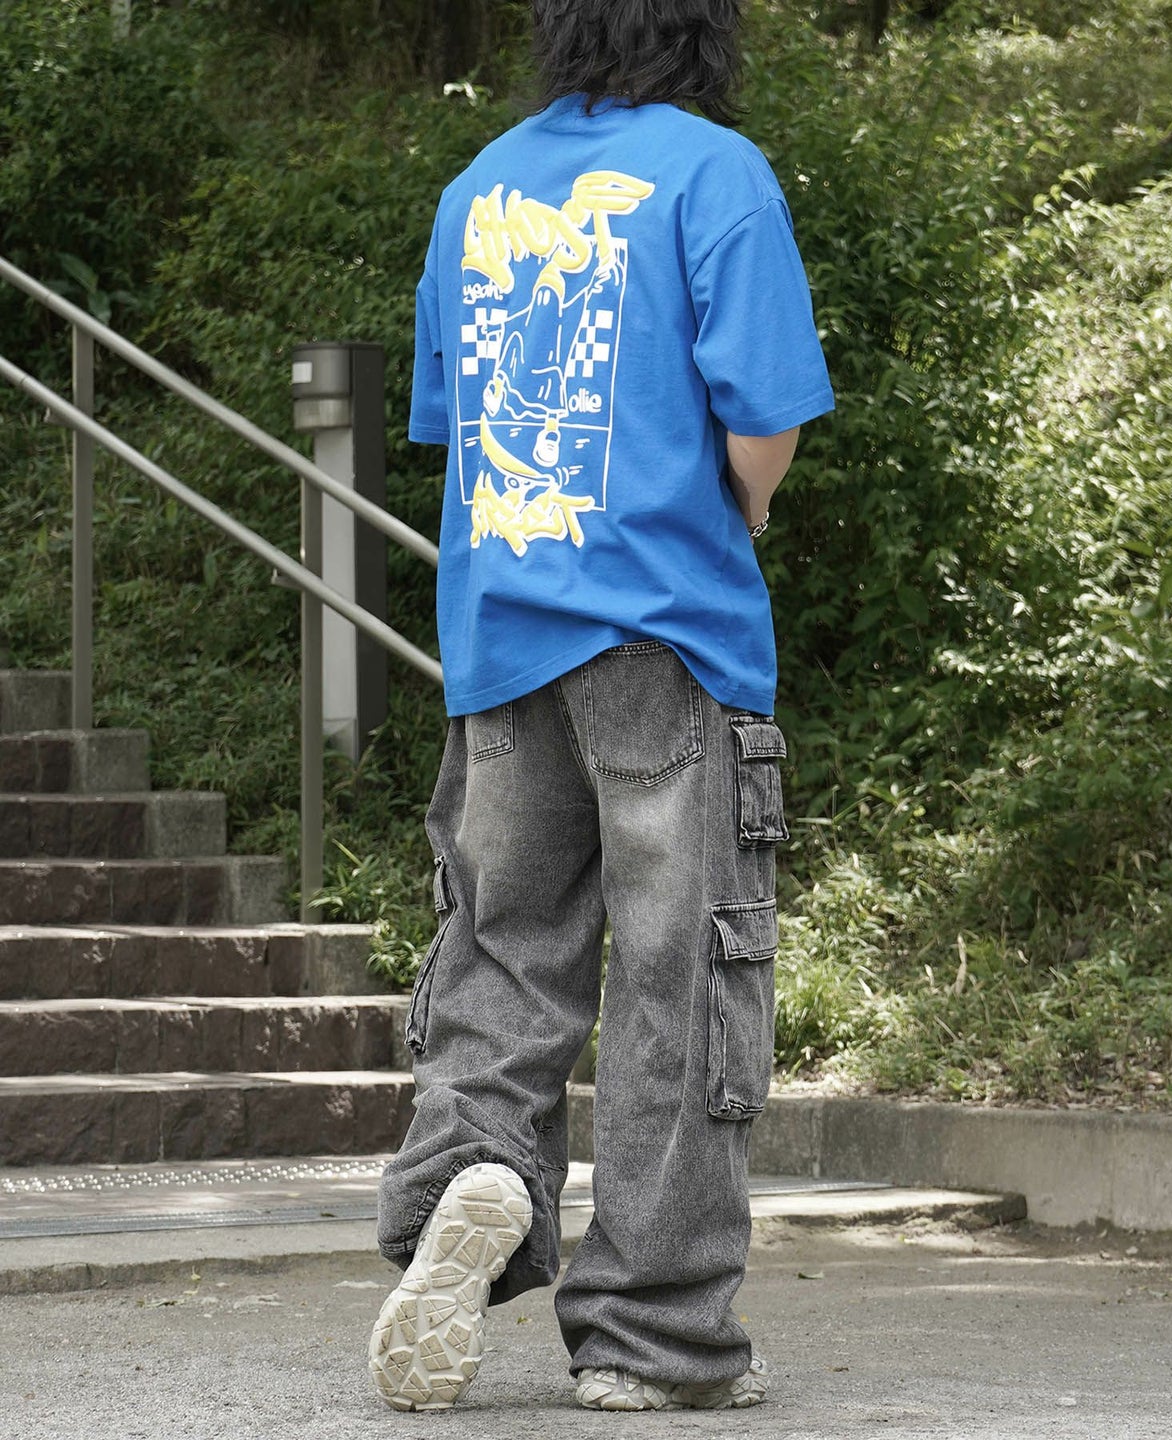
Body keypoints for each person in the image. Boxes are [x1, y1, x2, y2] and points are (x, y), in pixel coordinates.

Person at [368, 0, 834, 1413]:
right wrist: (742, 513)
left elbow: (459, 422)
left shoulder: (479, 186)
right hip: (669, 631)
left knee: (503, 951)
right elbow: (763, 420)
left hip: (503, 634)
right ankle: (651, 1335)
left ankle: (478, 1172)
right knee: (681, 976)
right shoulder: (716, 174)